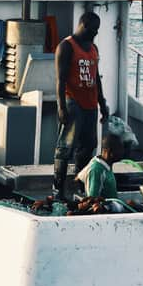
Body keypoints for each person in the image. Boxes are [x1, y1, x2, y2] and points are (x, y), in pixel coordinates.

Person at [53, 11, 109, 200]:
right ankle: (57, 189)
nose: (95, 34)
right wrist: (62, 107)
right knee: (65, 147)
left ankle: (79, 185)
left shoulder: (93, 48)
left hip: (90, 103)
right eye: (93, 30)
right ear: (83, 25)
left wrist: (102, 102)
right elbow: (60, 80)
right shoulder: (66, 46)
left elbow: (96, 77)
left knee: (88, 146)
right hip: (73, 101)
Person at [76, 134, 124, 199]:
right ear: (108, 151)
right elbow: (92, 200)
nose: (122, 153)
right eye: (119, 149)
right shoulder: (97, 170)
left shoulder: (106, 165)